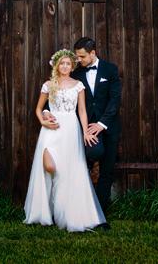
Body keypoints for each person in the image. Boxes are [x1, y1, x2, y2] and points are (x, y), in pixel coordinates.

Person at [23, 49, 106, 232]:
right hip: (51, 130)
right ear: (57, 65)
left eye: (68, 63)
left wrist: (85, 132)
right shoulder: (48, 85)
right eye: (62, 63)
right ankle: (44, 209)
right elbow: (38, 109)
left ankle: (65, 211)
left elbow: (82, 111)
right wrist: (43, 119)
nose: (65, 66)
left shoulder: (78, 85)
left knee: (68, 170)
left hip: (71, 128)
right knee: (50, 167)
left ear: (72, 66)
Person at [44, 37, 122, 216]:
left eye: (81, 57)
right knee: (89, 157)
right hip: (83, 129)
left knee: (107, 169)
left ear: (93, 53)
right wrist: (47, 112)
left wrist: (102, 124)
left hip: (107, 126)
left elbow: (115, 99)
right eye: (77, 57)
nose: (78, 60)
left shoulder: (110, 70)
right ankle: (77, 207)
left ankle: (100, 212)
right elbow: (61, 94)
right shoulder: (76, 74)